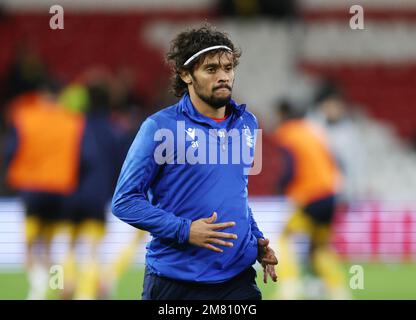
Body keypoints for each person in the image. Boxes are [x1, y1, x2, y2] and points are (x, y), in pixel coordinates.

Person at [112, 24, 278, 300]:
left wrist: (256, 241)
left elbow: (236, 193)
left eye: (228, 67)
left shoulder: (247, 124)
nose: (223, 76)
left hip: (236, 279)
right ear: (185, 74)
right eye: (211, 69)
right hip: (176, 281)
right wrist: (184, 230)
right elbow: (124, 201)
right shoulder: (159, 128)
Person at [4, 84, 84, 300]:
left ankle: (38, 288)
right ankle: (56, 285)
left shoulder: (27, 116)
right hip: (61, 188)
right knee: (50, 246)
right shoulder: (72, 120)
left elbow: (12, 148)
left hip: (33, 186)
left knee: (29, 244)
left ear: (41, 96)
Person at [272, 100, 350, 300]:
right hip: (330, 195)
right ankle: (339, 293)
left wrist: (281, 186)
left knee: (284, 238)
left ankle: (290, 287)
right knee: (320, 248)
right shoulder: (313, 131)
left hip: (311, 196)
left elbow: (291, 166)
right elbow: (335, 161)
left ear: (282, 114)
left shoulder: (288, 132)